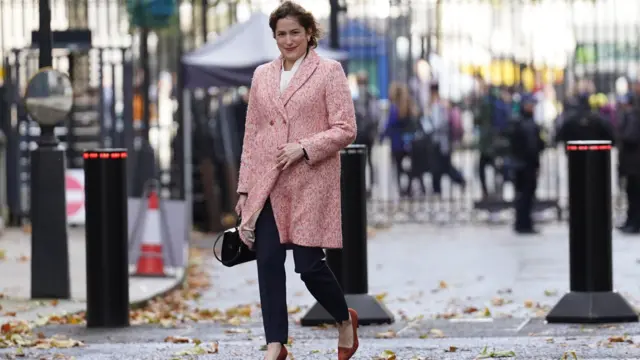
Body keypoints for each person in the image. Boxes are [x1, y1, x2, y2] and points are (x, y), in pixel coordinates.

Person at [234, 2, 359, 360]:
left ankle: (343, 319)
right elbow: (252, 136)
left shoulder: (329, 71)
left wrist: (304, 148)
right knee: (268, 261)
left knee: (308, 266)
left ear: (309, 34)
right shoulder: (261, 75)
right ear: (274, 37)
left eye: (295, 33)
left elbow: (346, 129)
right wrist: (245, 190)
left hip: (309, 181)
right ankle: (276, 343)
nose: (288, 40)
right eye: (281, 34)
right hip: (268, 184)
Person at [508, 95, 545, 234]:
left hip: (519, 164)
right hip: (526, 165)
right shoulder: (528, 124)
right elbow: (534, 146)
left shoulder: (517, 122)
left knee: (521, 195)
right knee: (526, 195)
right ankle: (524, 224)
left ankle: (521, 223)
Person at [380, 82, 423, 197]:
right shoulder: (408, 105)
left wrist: (382, 137)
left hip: (396, 143)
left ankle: (401, 189)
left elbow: (389, 125)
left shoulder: (393, 108)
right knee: (411, 165)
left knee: (399, 168)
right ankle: (409, 187)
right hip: (408, 141)